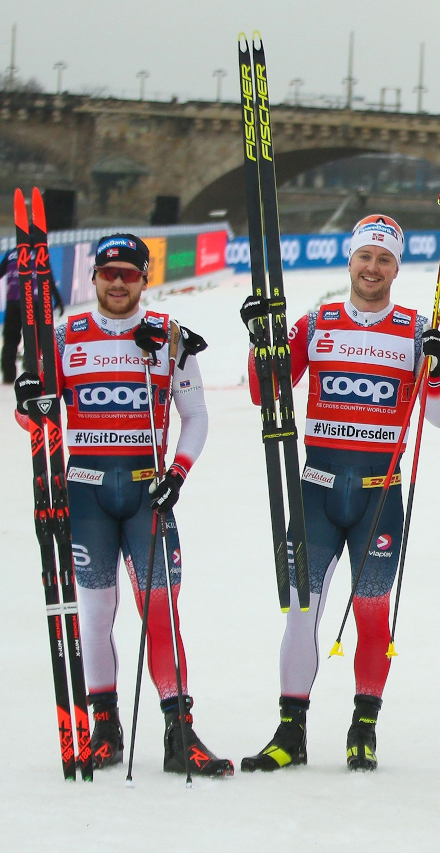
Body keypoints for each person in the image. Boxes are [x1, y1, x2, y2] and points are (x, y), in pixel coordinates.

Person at [239, 215, 440, 773]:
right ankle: (291, 731)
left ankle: (363, 729)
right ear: (350, 261)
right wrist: (261, 343)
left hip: (379, 498)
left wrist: (434, 369)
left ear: (397, 268)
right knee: (300, 615)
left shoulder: (414, 329)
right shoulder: (316, 322)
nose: (372, 268)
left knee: (372, 617)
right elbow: (265, 393)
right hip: (316, 493)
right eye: (365, 257)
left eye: (384, 259)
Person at [14, 234, 230, 776]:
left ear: (143, 278)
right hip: (85, 494)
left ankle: (179, 732)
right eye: (108, 272)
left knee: (160, 611)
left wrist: (177, 474)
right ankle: (105, 727)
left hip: (145, 494)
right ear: (93, 277)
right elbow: (34, 416)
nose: (117, 282)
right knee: (93, 614)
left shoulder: (169, 337)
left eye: (128, 273)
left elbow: (196, 417)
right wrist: (26, 398)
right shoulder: (64, 336)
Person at [3, 246, 62, 383]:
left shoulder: (11, 254)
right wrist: (57, 299)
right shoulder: (40, 254)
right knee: (36, 339)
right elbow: (48, 278)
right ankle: (33, 372)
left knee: (10, 340)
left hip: (13, 302)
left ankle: (8, 375)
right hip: (36, 302)